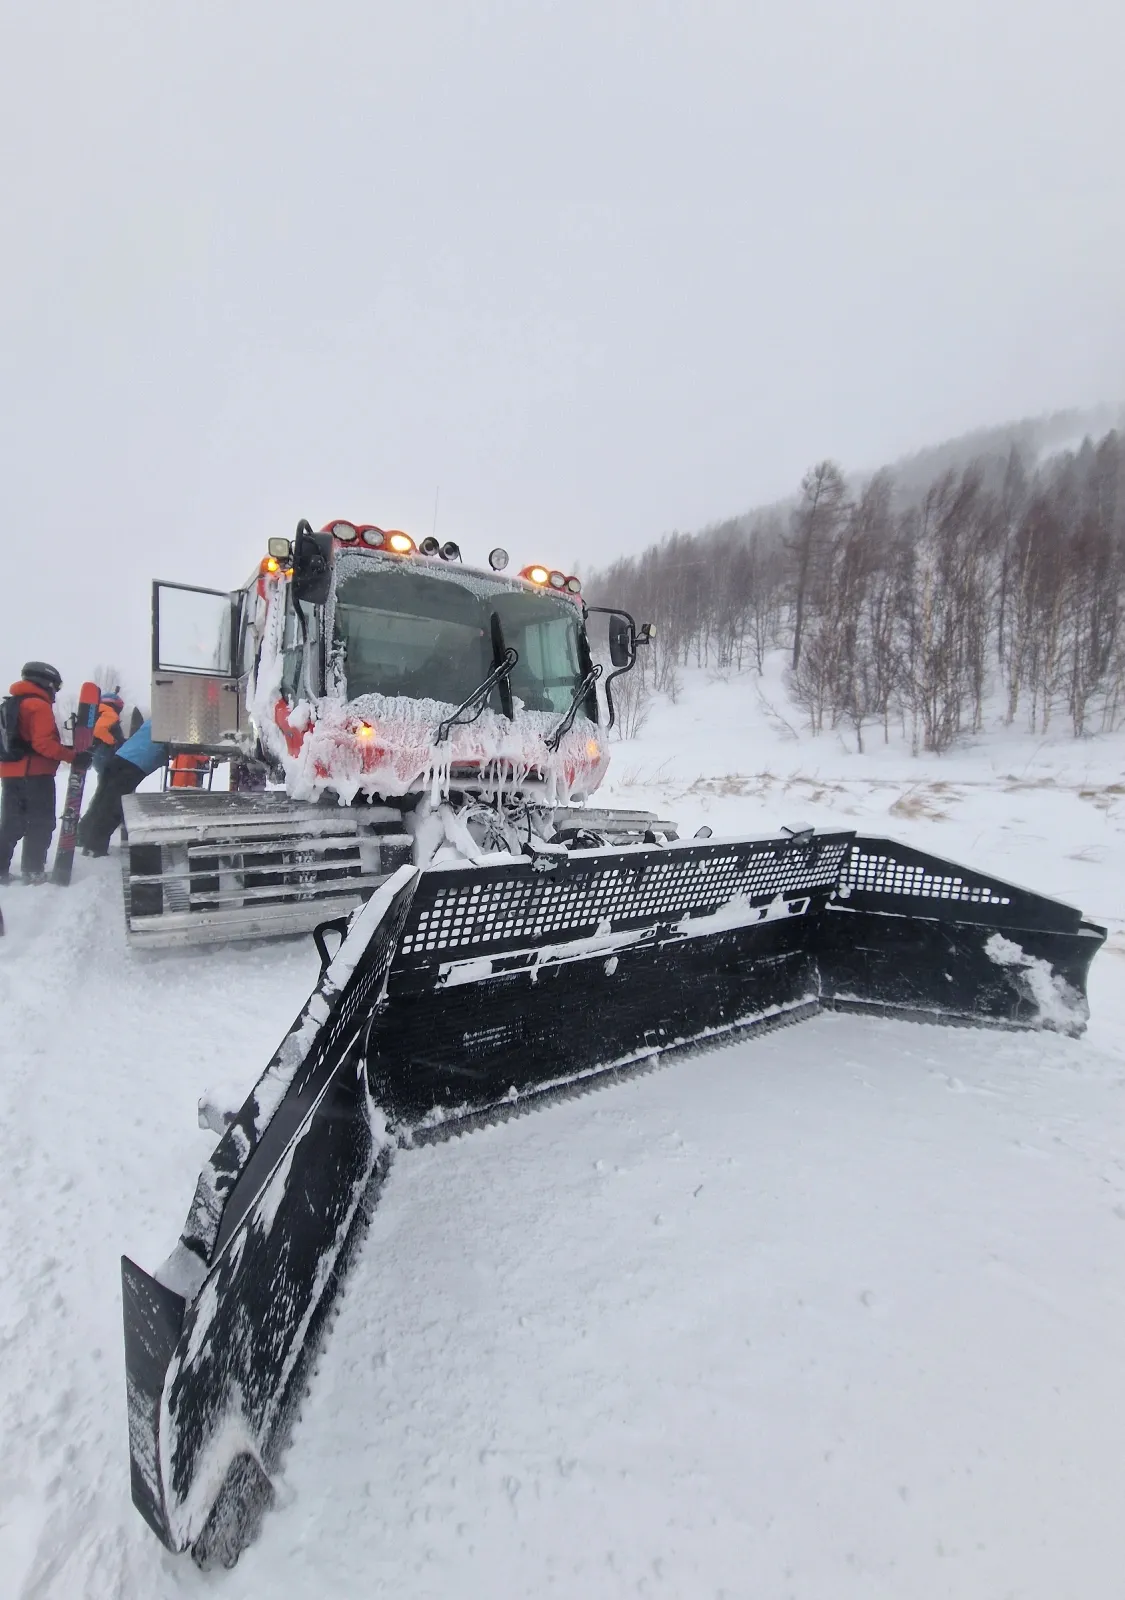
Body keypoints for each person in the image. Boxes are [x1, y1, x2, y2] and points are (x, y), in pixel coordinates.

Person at [0, 661, 82, 885]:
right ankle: (33, 871)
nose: (55, 691)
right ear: (46, 683)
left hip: (11, 773)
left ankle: (1, 872)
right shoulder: (38, 706)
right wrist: (73, 756)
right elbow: (43, 744)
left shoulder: (13, 703)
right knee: (40, 823)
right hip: (35, 775)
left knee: (11, 824)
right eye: (55, 686)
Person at [77, 718, 168, 857]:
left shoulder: (156, 718)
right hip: (134, 764)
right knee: (114, 806)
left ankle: (83, 835)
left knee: (101, 800)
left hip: (119, 757)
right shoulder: (173, 723)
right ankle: (95, 847)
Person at [91, 691, 126, 776]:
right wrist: (113, 741)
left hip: (98, 753)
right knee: (110, 781)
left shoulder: (98, 713)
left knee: (104, 781)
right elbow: (99, 730)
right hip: (105, 753)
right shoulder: (109, 713)